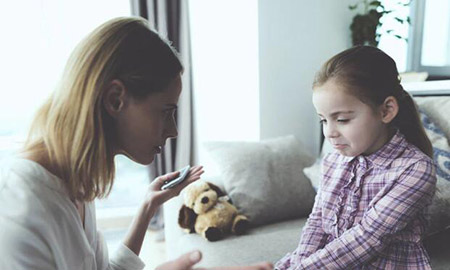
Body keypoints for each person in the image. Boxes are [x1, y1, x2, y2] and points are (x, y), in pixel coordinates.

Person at [0, 17, 272, 270]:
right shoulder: (20, 206)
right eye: (166, 111)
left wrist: (147, 206)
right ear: (115, 99)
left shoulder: (76, 185)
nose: (174, 130)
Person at [275, 46, 437, 269]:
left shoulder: (415, 170)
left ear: (386, 110)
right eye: (323, 120)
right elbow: (317, 224)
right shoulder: (333, 161)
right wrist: (300, 263)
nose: (329, 132)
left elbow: (367, 238)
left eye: (341, 119)